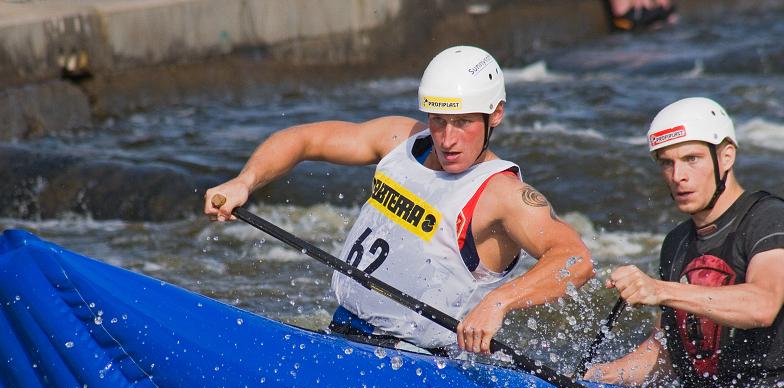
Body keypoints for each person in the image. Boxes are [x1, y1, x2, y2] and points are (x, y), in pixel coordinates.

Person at [204, 45, 593, 354]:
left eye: (463, 123)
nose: (448, 139)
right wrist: (245, 181)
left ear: (496, 115)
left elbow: (575, 259)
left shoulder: (502, 194)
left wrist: (500, 302)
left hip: (416, 364)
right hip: (343, 331)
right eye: (439, 121)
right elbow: (305, 139)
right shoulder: (400, 138)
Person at [585, 97, 784, 388]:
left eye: (692, 159)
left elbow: (763, 304)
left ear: (726, 156)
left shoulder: (769, 218)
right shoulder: (676, 242)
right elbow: (663, 354)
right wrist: (593, 378)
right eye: (667, 163)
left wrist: (660, 289)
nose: (678, 175)